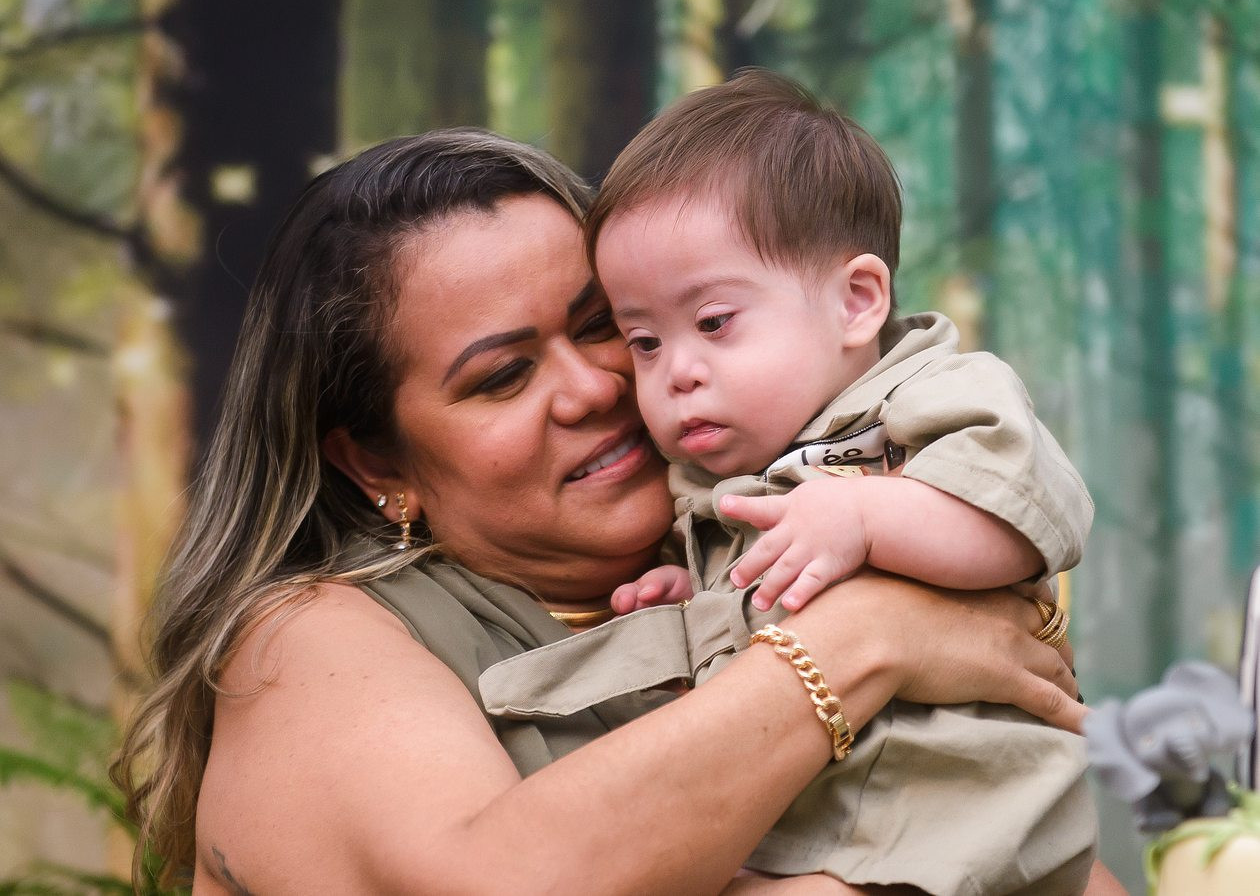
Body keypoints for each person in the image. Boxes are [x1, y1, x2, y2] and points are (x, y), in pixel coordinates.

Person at [111, 127, 1103, 894]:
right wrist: (865, 641)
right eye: (503, 376)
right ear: (378, 462)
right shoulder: (306, 642)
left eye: (608, 329)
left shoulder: (761, 544)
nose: (593, 386)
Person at [477, 72, 1096, 892]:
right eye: (644, 341)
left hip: (961, 814)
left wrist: (869, 516)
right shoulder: (710, 478)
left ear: (856, 302)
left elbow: (1023, 521)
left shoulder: (931, 396)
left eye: (713, 323)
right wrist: (700, 601)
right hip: (823, 828)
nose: (677, 372)